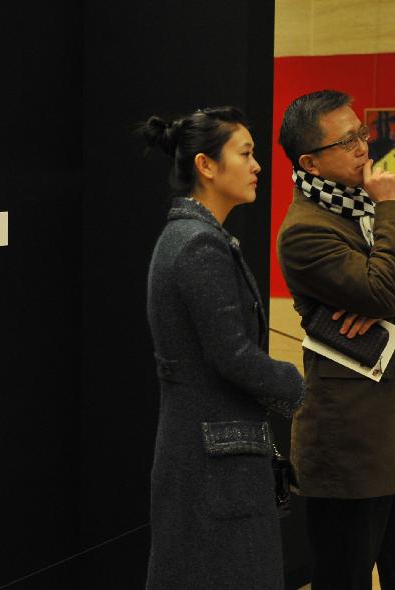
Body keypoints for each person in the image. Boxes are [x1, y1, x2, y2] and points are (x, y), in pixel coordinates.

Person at [276, 90, 395, 590]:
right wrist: (393, 212)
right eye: (347, 140)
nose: (362, 147)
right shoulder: (306, 230)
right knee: (344, 575)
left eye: (361, 133)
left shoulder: (365, 210)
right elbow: (383, 289)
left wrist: (384, 300)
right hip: (351, 444)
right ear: (310, 161)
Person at [141, 106, 305, 590]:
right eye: (246, 153)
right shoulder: (198, 245)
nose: (257, 166)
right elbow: (232, 355)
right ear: (206, 166)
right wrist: (298, 387)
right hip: (212, 459)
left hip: (203, 452)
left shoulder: (192, 237)